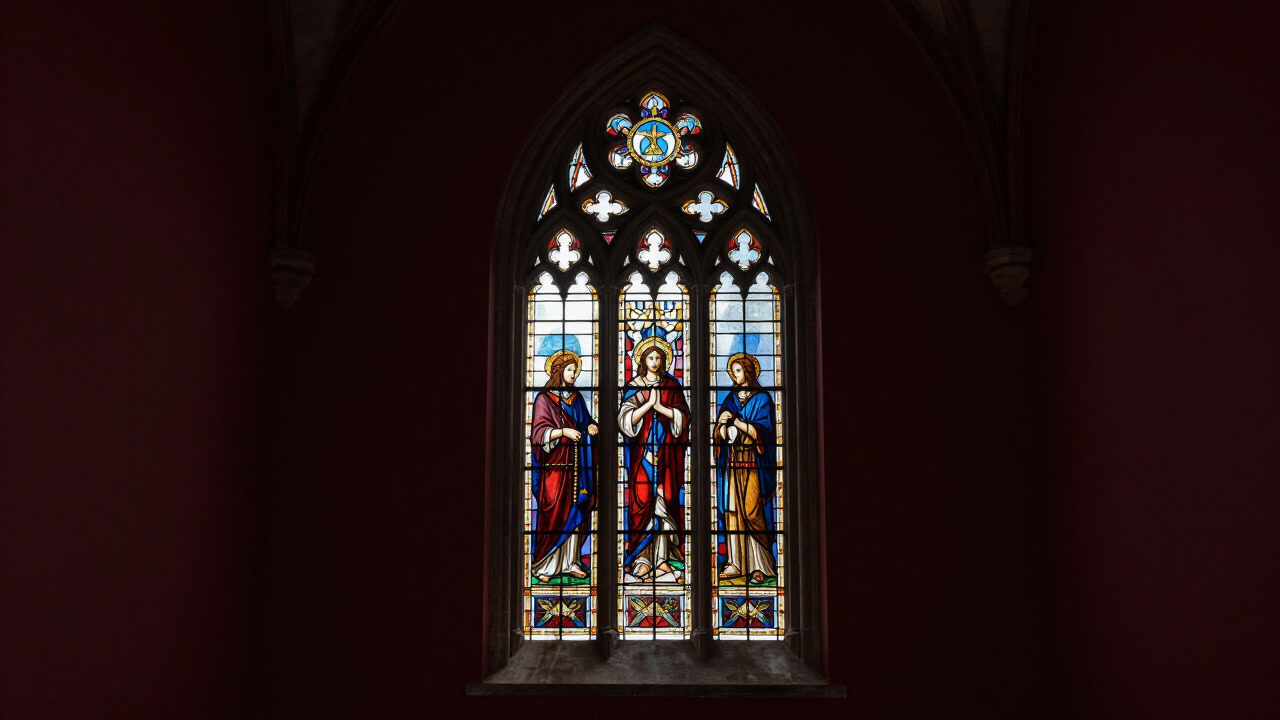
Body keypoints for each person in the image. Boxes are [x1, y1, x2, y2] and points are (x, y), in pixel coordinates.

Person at [618, 337, 690, 582]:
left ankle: (663, 559)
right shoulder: (635, 385)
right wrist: (649, 402)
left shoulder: (672, 385)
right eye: (651, 357)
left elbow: (683, 418)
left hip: (667, 456)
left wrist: (660, 407)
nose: (655, 361)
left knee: (665, 502)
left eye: (659, 358)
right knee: (641, 504)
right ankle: (642, 559)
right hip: (642, 457)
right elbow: (625, 421)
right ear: (642, 360)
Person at [530, 350, 598, 584]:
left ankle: (571, 562)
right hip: (555, 469)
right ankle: (546, 564)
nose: (574, 375)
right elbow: (538, 434)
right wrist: (562, 432)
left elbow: (585, 420)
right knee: (554, 515)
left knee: (576, 512)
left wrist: (590, 427)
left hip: (577, 467)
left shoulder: (576, 397)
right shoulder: (543, 399)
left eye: (575, 371)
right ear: (559, 371)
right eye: (570, 370)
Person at [714, 352, 777, 585]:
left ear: (748, 372)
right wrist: (722, 426)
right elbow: (719, 435)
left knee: (752, 512)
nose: (734, 375)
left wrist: (736, 422)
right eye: (733, 371)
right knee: (732, 513)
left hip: (753, 464)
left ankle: (760, 564)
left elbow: (764, 433)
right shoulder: (730, 398)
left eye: (738, 371)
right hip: (733, 463)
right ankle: (736, 563)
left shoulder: (762, 399)